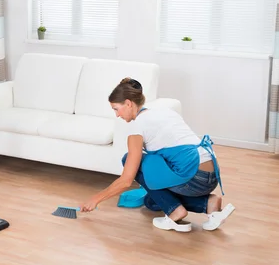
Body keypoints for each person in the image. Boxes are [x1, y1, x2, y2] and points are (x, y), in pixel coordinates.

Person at [79, 78, 235, 232]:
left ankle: (175, 211)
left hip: (193, 178)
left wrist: (95, 199)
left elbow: (126, 180)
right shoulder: (165, 112)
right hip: (211, 175)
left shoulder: (137, 128)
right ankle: (208, 203)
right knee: (152, 202)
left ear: (128, 103)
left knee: (131, 160)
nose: (117, 115)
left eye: (116, 109)